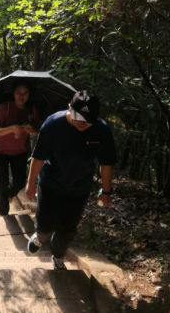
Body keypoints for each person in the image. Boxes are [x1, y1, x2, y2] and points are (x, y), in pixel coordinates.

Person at [25, 90, 117, 270]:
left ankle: (58, 256)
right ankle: (40, 237)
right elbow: (38, 157)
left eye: (87, 120)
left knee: (67, 229)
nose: (82, 123)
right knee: (45, 225)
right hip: (50, 183)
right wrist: (30, 184)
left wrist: (106, 191)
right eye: (78, 118)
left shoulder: (101, 129)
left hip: (79, 187)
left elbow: (106, 163)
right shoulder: (53, 124)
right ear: (69, 108)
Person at [0, 81, 39, 216]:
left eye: (25, 93)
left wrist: (31, 130)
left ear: (29, 95)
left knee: (20, 181)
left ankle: (8, 195)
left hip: (20, 151)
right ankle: (3, 213)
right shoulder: (5, 107)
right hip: (0, 150)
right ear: (13, 93)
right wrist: (11, 128)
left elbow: (36, 131)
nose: (21, 96)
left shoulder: (32, 110)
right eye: (18, 93)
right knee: (2, 182)